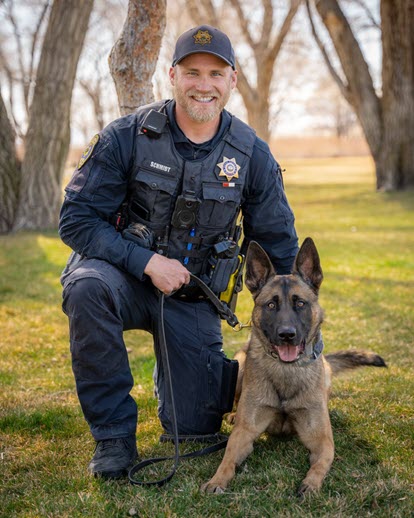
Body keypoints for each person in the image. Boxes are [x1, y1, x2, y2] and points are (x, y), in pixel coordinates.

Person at [59, 24, 299, 480]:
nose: (203, 85)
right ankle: (112, 436)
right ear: (172, 75)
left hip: (193, 298)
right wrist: (146, 261)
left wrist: (295, 328)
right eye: (192, 72)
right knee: (86, 288)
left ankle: (191, 376)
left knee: (195, 427)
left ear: (232, 80)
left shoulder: (251, 154)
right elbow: (76, 220)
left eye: (215, 73)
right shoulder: (126, 136)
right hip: (122, 279)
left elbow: (278, 246)